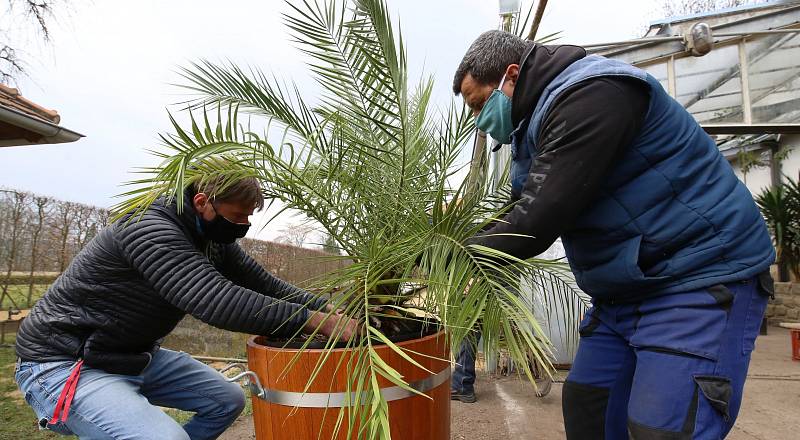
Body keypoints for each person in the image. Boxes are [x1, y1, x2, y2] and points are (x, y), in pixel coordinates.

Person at [452, 30, 775, 439]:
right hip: (626, 290)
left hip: (699, 277)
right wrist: (453, 241)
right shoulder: (532, 131)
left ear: (511, 76)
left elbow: (536, 220)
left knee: (662, 428)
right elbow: (516, 212)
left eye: (480, 104)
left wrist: (444, 255)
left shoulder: (593, 94)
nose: (479, 119)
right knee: (590, 407)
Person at [14, 175, 358, 440]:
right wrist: (316, 322)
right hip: (65, 362)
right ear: (202, 201)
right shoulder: (148, 228)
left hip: (131, 355)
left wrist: (331, 309)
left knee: (226, 401)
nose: (243, 226)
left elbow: (264, 284)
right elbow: (215, 299)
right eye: (238, 216)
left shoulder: (208, 235)